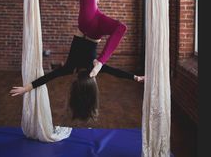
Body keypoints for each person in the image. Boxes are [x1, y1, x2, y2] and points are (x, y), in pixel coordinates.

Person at [10, 31, 144, 121]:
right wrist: (26, 88)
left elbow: (115, 72)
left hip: (94, 33)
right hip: (81, 31)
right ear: (76, 80)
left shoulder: (94, 69)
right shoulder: (70, 69)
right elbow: (47, 78)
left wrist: (136, 78)